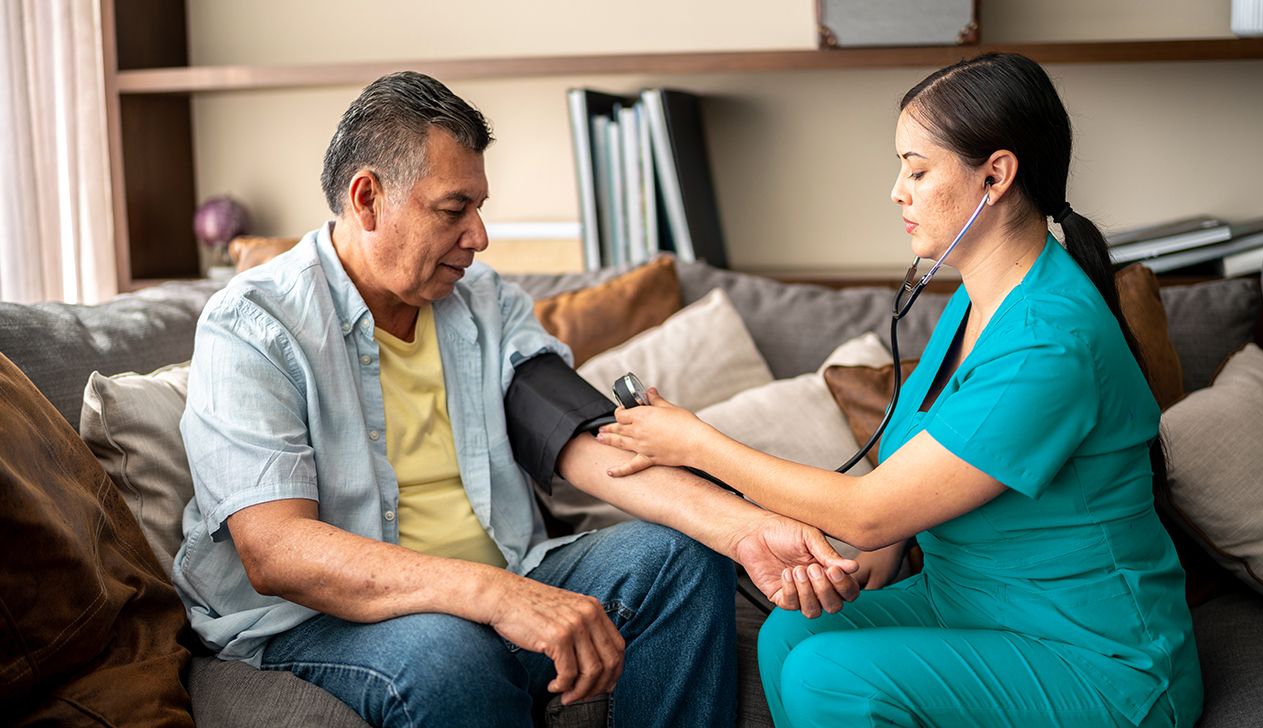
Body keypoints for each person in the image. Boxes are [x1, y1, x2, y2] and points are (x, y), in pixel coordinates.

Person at [173, 71, 859, 728]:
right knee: (448, 653)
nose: (479, 236)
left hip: (504, 576)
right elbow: (277, 550)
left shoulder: (484, 303)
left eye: (479, 208)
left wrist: (744, 530)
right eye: (453, 210)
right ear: (366, 199)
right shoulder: (254, 326)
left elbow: (585, 443)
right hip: (322, 625)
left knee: (679, 558)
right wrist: (494, 595)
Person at [595, 53, 1203, 727]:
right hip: (975, 604)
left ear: (996, 175)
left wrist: (697, 444)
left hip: (1101, 662)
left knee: (832, 677)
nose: (896, 190)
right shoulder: (972, 303)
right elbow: (915, 465)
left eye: (916, 169)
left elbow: (870, 510)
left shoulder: (1050, 343)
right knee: (794, 634)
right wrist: (877, 560)